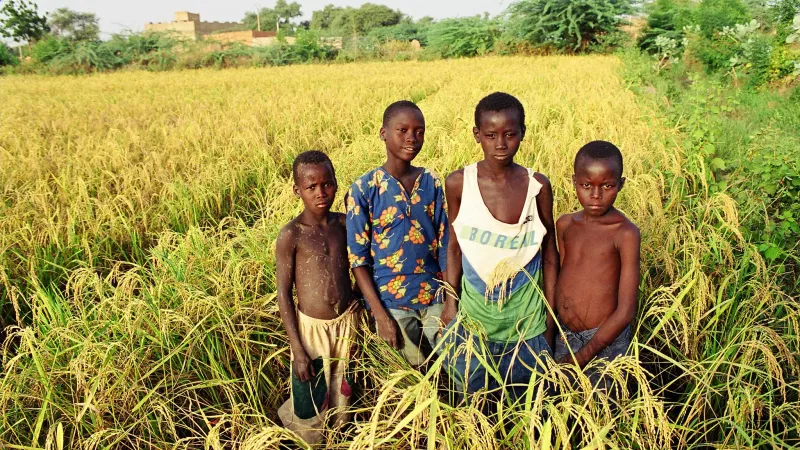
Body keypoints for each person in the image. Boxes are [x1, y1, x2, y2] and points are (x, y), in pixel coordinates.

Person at [441, 92, 559, 403]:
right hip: (474, 324)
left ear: (523, 133)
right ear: (477, 135)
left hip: (528, 325)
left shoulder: (538, 186)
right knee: (477, 409)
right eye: (491, 135)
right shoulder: (458, 184)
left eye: (510, 134)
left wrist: (550, 318)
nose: (501, 144)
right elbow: (454, 246)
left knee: (531, 408)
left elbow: (549, 253)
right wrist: (450, 303)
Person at [346, 100, 449, 367]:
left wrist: (451, 299)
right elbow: (358, 259)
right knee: (409, 374)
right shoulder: (364, 188)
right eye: (402, 130)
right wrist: (380, 315)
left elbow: (445, 242)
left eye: (419, 131)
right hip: (391, 303)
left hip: (434, 295)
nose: (412, 138)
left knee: (447, 369)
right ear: (383, 133)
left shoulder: (432, 182)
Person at [276, 150, 361, 445]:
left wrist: (359, 297)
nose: (321, 193)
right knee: (310, 396)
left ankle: (339, 437)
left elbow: (364, 263)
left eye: (327, 184)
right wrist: (298, 349)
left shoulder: (345, 223)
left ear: (336, 183)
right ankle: (309, 439)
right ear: (297, 190)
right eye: (311, 187)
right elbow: (284, 294)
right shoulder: (292, 234)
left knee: (343, 389)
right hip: (311, 331)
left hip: (348, 323)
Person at [554, 140, 640, 375]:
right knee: (560, 402)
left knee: (601, 406)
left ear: (620, 184)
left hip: (606, 341)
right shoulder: (565, 224)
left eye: (607, 186)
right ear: (574, 182)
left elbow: (626, 310)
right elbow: (563, 276)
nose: (595, 195)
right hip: (564, 334)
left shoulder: (625, 233)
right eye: (585, 185)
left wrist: (584, 354)